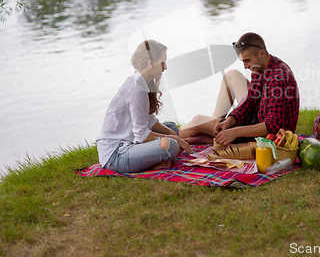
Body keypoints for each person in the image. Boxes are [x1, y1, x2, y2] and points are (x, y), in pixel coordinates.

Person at [179, 32, 300, 145]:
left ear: (261, 53)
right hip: (258, 116)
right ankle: (214, 133)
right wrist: (230, 120)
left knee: (197, 121)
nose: (245, 66)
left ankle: (166, 137)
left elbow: (273, 126)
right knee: (232, 75)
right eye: (243, 61)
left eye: (247, 61)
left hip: (269, 137)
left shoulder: (278, 78)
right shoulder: (261, 65)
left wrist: (235, 132)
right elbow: (250, 100)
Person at [96, 40, 191, 173]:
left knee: (172, 128)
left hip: (130, 140)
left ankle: (149, 161)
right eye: (162, 63)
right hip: (116, 155)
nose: (165, 67)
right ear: (150, 63)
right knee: (171, 145)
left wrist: (170, 133)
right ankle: (148, 163)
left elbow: (148, 119)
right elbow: (141, 135)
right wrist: (173, 138)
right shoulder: (136, 90)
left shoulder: (140, 82)